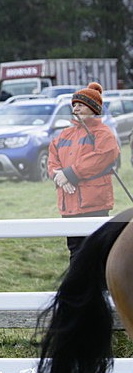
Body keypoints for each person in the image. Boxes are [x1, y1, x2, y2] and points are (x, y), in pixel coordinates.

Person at [48, 82, 119, 260]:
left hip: (93, 203)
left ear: (93, 108)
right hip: (69, 204)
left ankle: (99, 288)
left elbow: (102, 156)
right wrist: (59, 177)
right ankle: (78, 288)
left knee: (95, 253)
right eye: (74, 105)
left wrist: (69, 174)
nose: (76, 109)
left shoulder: (104, 133)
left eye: (80, 105)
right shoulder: (65, 134)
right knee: (75, 252)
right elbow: (52, 157)